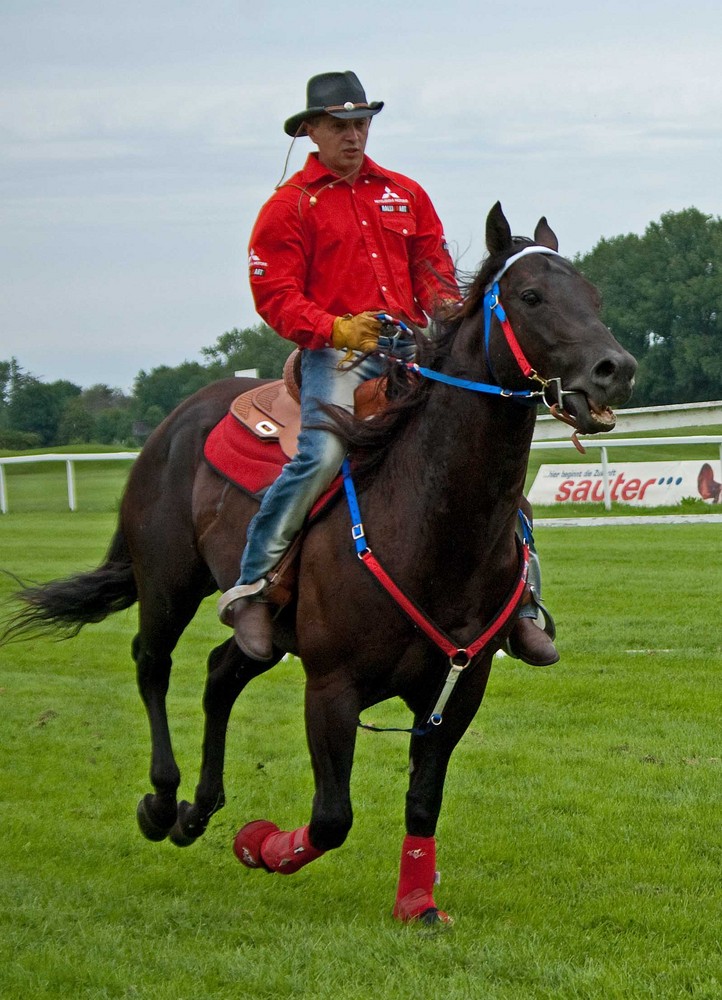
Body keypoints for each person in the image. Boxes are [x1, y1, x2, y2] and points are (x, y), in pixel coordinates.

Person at [218, 70, 558, 668]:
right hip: (338, 355)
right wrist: (334, 328)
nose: (353, 136)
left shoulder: (406, 192)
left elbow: (430, 272)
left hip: (413, 349)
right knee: (321, 455)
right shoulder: (289, 207)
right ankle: (253, 584)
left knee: (482, 460)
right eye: (338, 126)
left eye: (361, 124)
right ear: (310, 132)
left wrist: (449, 317)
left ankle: (522, 604)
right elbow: (274, 296)